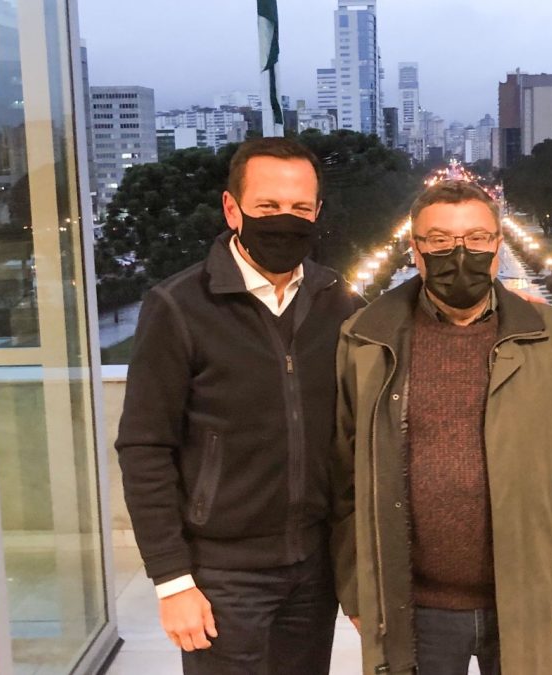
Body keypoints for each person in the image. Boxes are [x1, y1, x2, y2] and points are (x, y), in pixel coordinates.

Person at [116, 137, 363, 674]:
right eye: (267, 206)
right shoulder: (178, 307)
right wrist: (172, 579)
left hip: (314, 568)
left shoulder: (339, 302)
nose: (285, 220)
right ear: (232, 209)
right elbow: (144, 447)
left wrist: (507, 305)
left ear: (317, 211)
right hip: (222, 574)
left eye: (299, 208)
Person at [331, 180, 552, 675]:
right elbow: (345, 479)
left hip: (522, 594)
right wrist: (357, 588)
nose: (460, 254)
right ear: (415, 250)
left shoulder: (551, 335)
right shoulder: (366, 340)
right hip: (413, 605)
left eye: (476, 238)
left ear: (497, 245)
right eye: (439, 240)